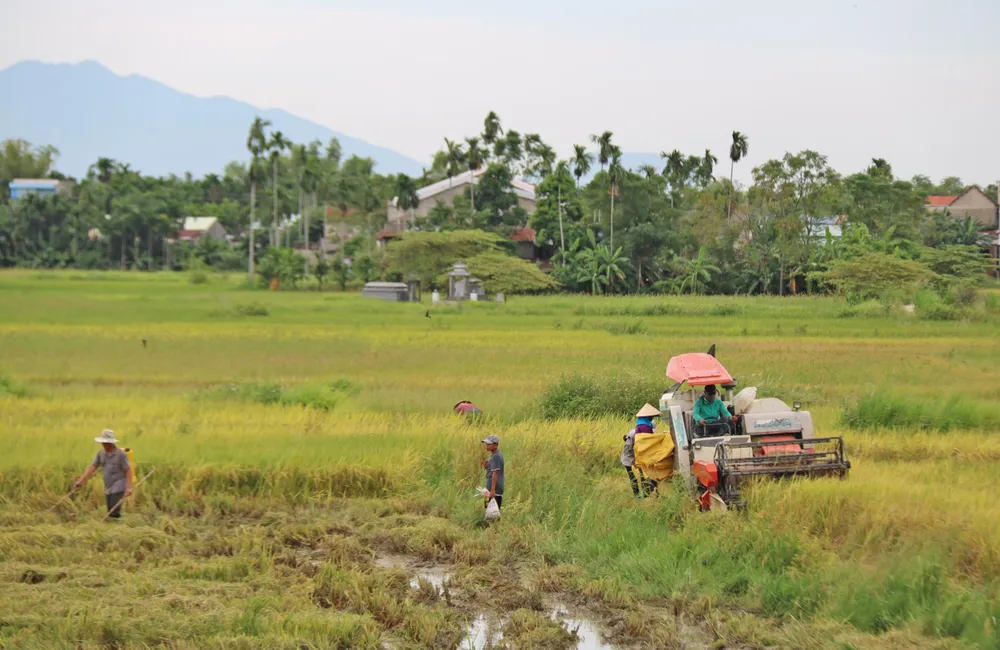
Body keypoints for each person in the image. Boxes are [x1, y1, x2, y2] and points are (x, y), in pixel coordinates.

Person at [73, 430, 133, 519]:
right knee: (110, 509)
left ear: (111, 442)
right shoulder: (101, 453)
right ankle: (115, 525)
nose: (104, 444)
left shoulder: (120, 455)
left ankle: (116, 527)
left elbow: (128, 470)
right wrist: (80, 481)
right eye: (103, 442)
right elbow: (92, 467)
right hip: (108, 485)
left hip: (119, 484)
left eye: (107, 442)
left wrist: (128, 487)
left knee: (114, 509)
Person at [622, 404, 659, 497]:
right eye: (651, 416)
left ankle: (646, 495)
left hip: (639, 457)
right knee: (634, 478)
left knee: (644, 475)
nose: (652, 417)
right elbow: (631, 447)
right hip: (629, 457)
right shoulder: (640, 430)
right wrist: (634, 460)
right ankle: (638, 497)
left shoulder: (645, 428)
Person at [481, 434, 504, 512]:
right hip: (491, 488)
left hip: (494, 489)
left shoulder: (496, 456)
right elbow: (490, 469)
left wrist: (492, 490)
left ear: (495, 445)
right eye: (486, 444)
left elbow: (495, 473)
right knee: (489, 510)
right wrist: (486, 465)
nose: (487, 446)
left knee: (492, 513)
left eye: (489, 444)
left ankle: (492, 524)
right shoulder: (494, 455)